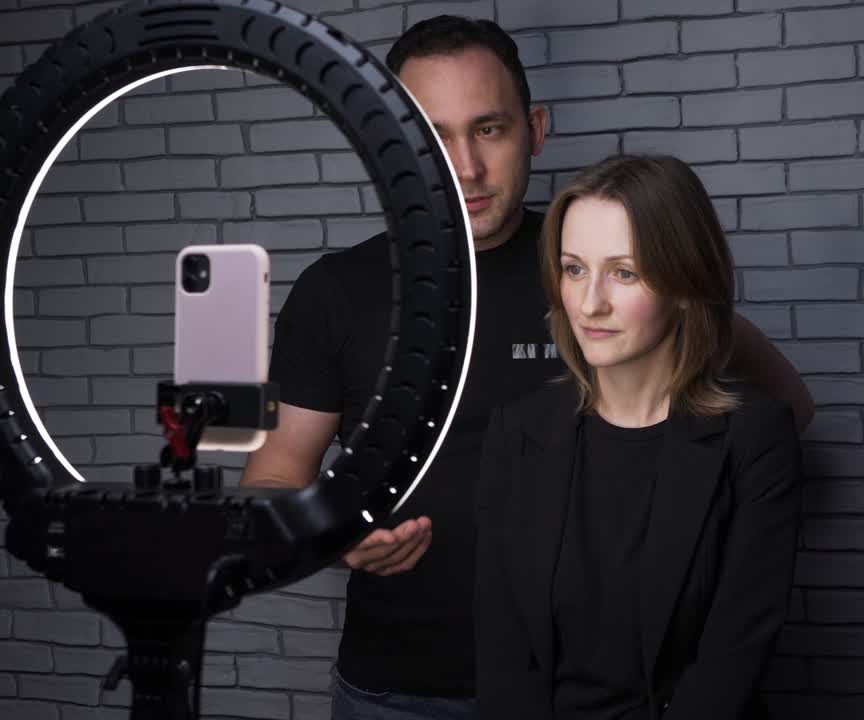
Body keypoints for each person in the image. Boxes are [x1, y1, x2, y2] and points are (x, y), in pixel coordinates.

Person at [241, 15, 814, 720]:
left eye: (489, 129)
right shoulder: (337, 291)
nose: (467, 167)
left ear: (535, 129)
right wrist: (334, 535)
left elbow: (773, 413)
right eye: (434, 134)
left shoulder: (598, 254)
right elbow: (271, 478)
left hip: (590, 691)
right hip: (400, 685)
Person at [475, 153, 800, 720]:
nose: (591, 302)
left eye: (624, 272)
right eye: (574, 269)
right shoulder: (518, 431)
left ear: (684, 284)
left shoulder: (754, 439)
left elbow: (731, 660)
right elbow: (504, 656)